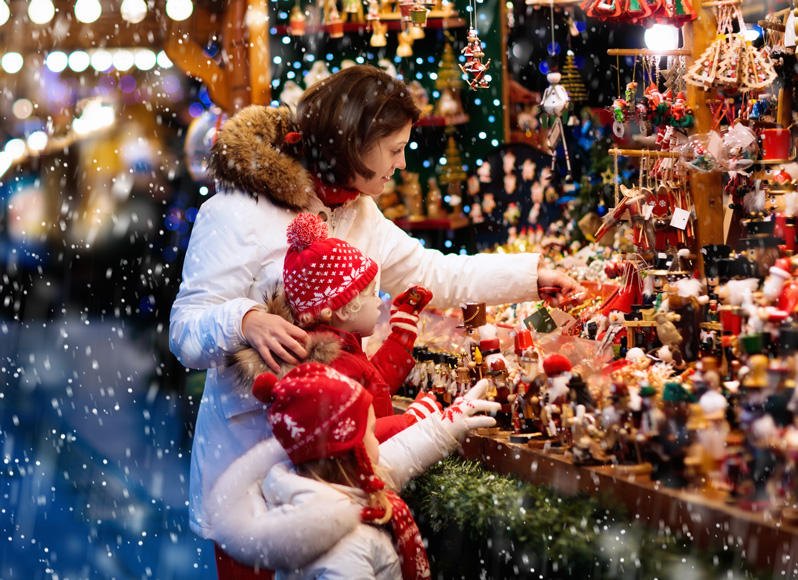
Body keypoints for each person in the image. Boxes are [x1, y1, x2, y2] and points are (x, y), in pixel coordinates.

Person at [169, 64, 580, 575]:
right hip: (251, 462)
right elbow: (186, 330)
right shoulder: (237, 211)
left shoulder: (360, 211)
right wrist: (245, 319)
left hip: (336, 470)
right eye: (393, 150)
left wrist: (531, 274)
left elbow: (432, 273)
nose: (402, 165)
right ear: (352, 143)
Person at [205, 362, 499, 578]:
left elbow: (393, 458)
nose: (377, 438)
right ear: (348, 451)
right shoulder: (344, 545)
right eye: (370, 431)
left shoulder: (318, 487)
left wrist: (444, 425)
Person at [229, 212, 442, 442]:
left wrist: (401, 335)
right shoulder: (334, 369)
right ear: (343, 309)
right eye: (372, 293)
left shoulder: (341, 352)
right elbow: (358, 436)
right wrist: (411, 422)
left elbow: (375, 385)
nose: (379, 301)